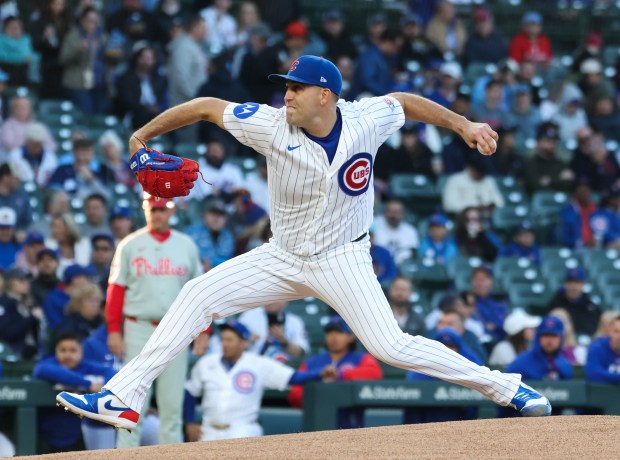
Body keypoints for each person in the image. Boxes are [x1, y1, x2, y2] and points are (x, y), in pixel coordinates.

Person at [57, 54, 553, 432]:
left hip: (343, 257)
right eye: (286, 87)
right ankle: (122, 395)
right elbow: (207, 108)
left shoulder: (363, 120)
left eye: (296, 88)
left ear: (325, 95)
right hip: (282, 256)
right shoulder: (270, 126)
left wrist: (463, 124)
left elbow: (404, 102)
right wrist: (142, 134)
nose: (286, 95)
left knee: (392, 346)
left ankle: (507, 387)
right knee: (196, 294)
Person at [103, 194, 204, 448]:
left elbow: (201, 291)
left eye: (162, 209)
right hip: (138, 327)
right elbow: (116, 290)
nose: (158, 214)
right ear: (145, 209)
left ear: (171, 211)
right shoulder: (130, 244)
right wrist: (114, 329)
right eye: (153, 208)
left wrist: (205, 330)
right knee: (131, 402)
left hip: (176, 330)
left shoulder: (187, 245)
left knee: (172, 405)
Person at [184, 320, 329, 441]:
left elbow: (293, 377)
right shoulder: (207, 362)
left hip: (242, 429)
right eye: (223, 339)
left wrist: (320, 374)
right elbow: (190, 392)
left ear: (243, 343)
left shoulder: (258, 364)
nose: (225, 344)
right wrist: (190, 423)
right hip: (209, 429)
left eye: (230, 340)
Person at [288, 316, 383, 429]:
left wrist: (341, 375)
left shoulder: (361, 358)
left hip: (350, 422)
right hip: (317, 422)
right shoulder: (313, 362)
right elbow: (294, 393)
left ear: (351, 337)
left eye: (339, 332)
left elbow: (375, 373)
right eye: (329, 332)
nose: (333, 336)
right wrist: (319, 393)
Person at [34, 332, 116, 454]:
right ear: (56, 351)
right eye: (63, 350)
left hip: (75, 435)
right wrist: (88, 384)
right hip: (45, 434)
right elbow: (45, 370)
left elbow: (110, 371)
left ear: (81, 352)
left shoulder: (84, 366)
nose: (67, 354)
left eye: (73, 350)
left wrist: (105, 388)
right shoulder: (48, 364)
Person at [404, 327, 483, 424]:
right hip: (429, 420)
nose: (447, 350)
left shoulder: (469, 362)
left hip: (460, 421)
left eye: (451, 346)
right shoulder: (423, 364)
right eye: (444, 346)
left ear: (458, 348)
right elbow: (412, 388)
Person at [506, 316, 573, 381]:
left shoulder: (564, 364)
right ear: (538, 337)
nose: (549, 340)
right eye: (545, 335)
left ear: (561, 338)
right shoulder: (521, 363)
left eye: (554, 336)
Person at [239, 300, 309, 360]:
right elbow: (234, 345)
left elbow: (301, 353)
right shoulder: (249, 316)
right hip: (253, 364)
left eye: (277, 298)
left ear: (286, 301)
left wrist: (283, 341)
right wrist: (248, 341)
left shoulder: (294, 321)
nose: (272, 301)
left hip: (283, 367)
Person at [546, 267, 601, 337]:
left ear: (583, 284)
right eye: (570, 282)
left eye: (577, 283)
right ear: (565, 284)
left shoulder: (592, 307)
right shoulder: (554, 305)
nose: (573, 287)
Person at [0, 267, 41, 359]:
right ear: (10, 282)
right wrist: (31, 318)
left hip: (32, 352)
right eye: (21, 280)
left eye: (28, 280)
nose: (26, 284)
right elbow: (7, 333)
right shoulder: (3, 303)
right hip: (11, 353)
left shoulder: (31, 303)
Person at [183, 200, 235, 272]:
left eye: (220, 215)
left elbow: (230, 260)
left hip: (222, 275)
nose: (216, 219)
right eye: (213, 214)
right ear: (204, 214)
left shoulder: (228, 236)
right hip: (194, 274)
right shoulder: (191, 231)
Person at [7, 121, 58, 187]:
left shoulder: (51, 157)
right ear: (27, 142)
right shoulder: (14, 155)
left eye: (39, 144)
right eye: (34, 144)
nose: (37, 147)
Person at [372, 199, 419, 264]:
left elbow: (413, 256)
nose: (394, 216)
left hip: (403, 268)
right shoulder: (374, 225)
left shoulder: (410, 231)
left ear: (403, 214)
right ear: (384, 212)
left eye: (397, 212)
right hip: (378, 266)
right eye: (391, 212)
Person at [584, 314, 620, 384]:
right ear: (609, 332)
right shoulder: (597, 348)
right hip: (602, 393)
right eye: (616, 331)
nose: (619, 336)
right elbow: (593, 373)